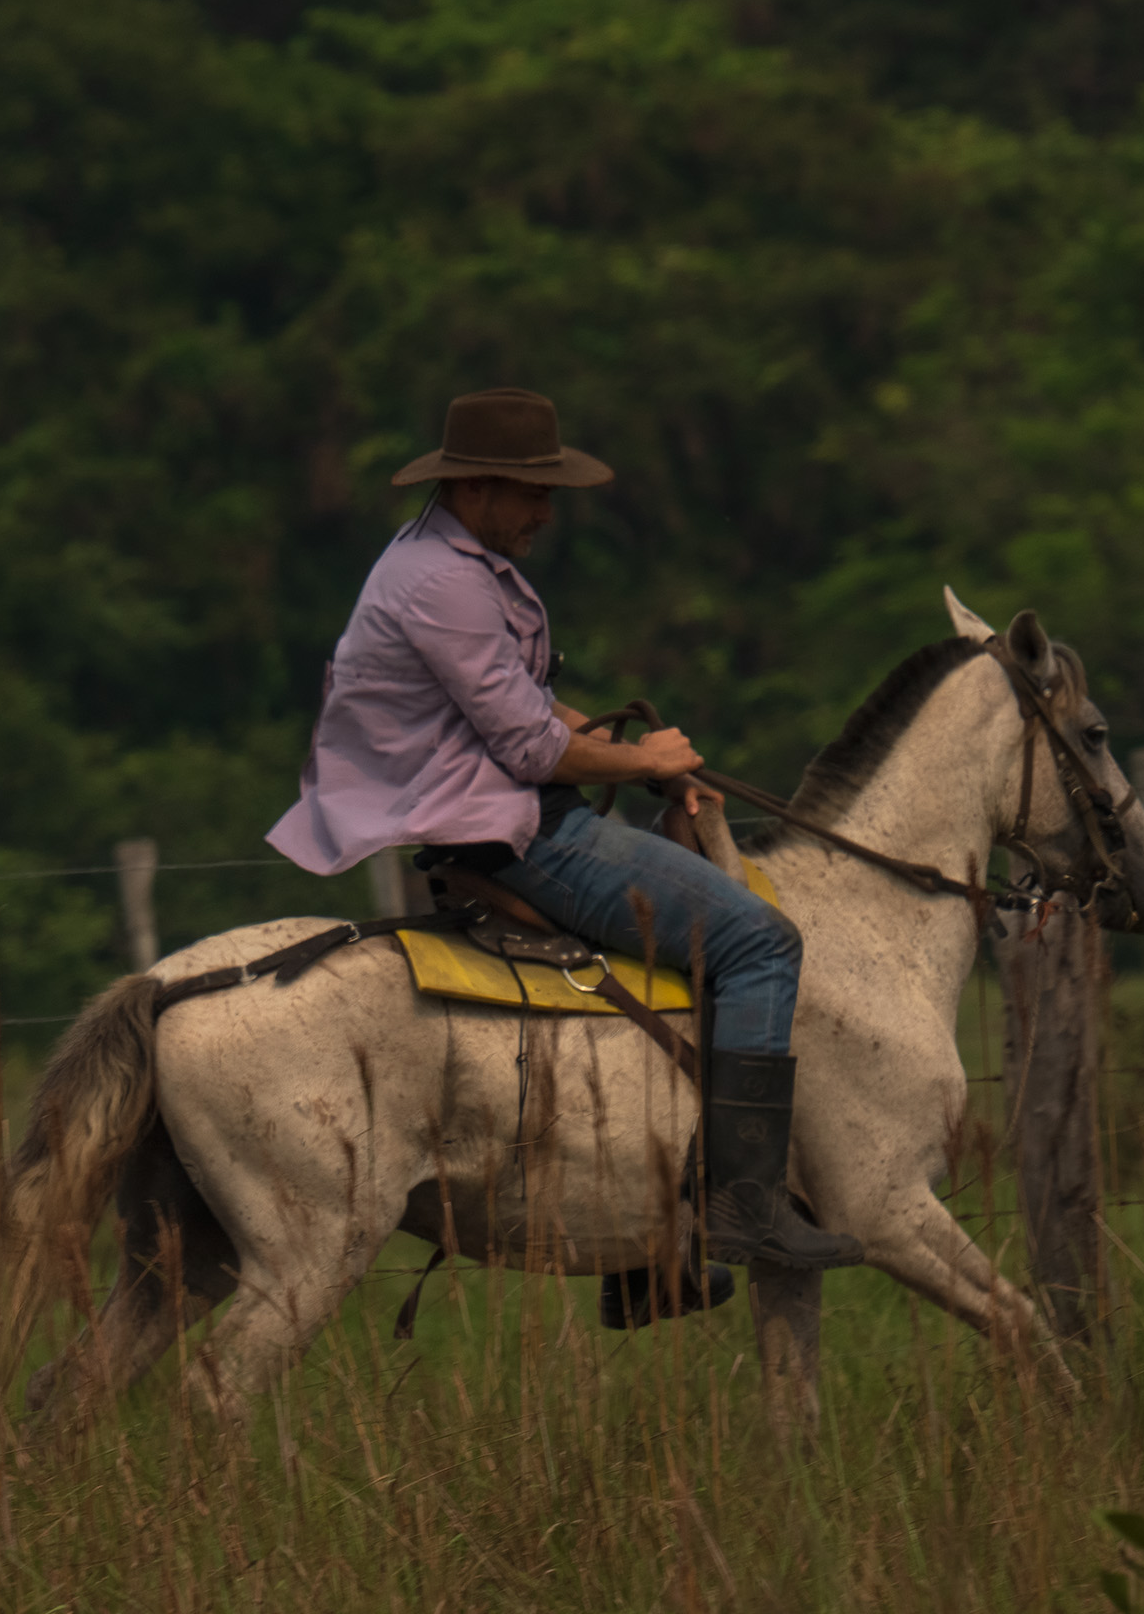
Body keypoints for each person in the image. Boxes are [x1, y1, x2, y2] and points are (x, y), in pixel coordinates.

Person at [268, 387, 863, 1272]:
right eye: (531, 491)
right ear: (474, 490)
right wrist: (647, 763)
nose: (547, 511)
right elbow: (531, 747)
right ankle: (744, 1206)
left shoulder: (436, 557)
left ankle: (653, 1262)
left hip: (504, 809)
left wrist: (615, 745)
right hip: (522, 833)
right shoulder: (445, 584)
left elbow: (522, 703)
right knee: (759, 944)